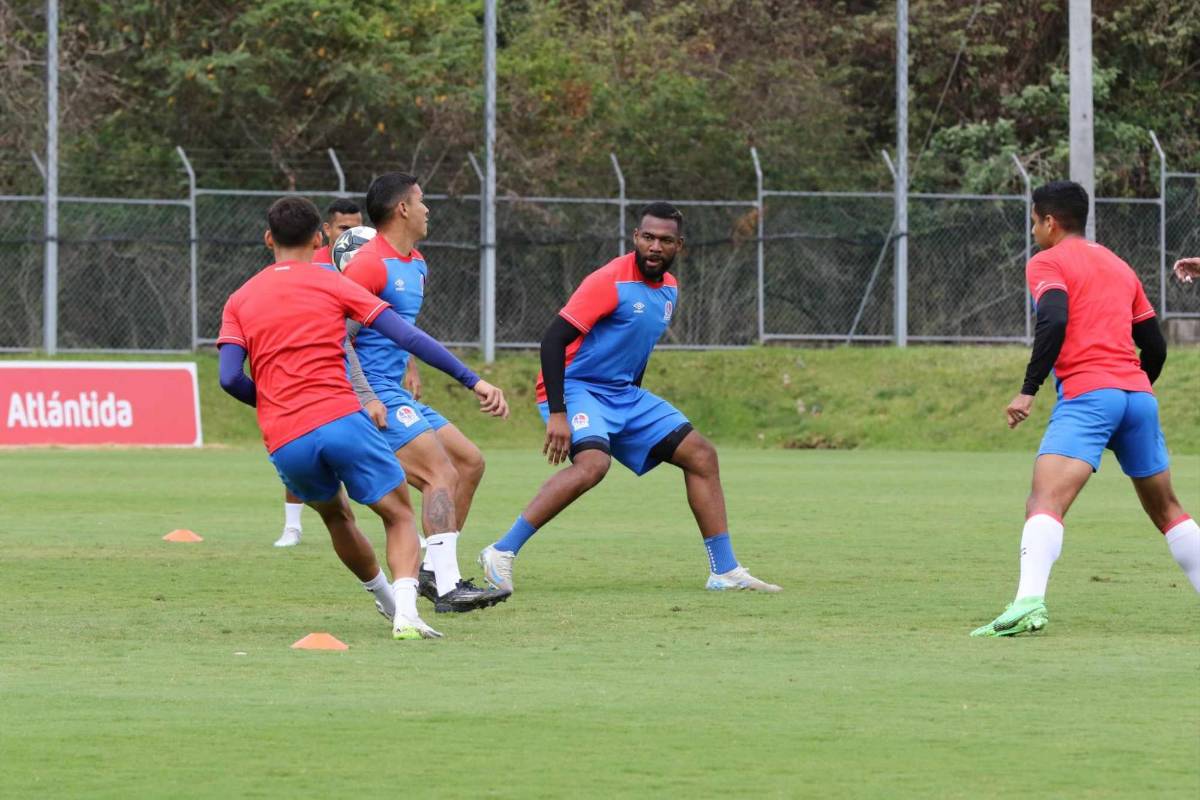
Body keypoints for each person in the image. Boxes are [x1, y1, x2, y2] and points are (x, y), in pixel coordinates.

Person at [217, 196, 508, 640]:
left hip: (286, 435)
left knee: (337, 517)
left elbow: (229, 378)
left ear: (268, 239)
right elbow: (404, 334)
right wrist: (472, 381)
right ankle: (407, 611)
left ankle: (386, 599)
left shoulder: (239, 299)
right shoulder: (332, 282)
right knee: (399, 516)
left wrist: (275, 403)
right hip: (343, 418)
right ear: (319, 237)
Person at [477, 202, 781, 596]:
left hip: (622, 394)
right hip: (577, 386)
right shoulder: (608, 281)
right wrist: (557, 412)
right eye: (648, 237)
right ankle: (501, 551)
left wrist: (632, 401)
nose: (655, 246)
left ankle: (724, 570)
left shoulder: (669, 288)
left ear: (679, 245)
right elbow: (552, 340)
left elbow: (636, 350)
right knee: (593, 465)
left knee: (702, 456)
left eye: (665, 240)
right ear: (636, 237)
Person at [971, 181, 1199, 638]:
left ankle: (1028, 604)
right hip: (1137, 397)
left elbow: (1053, 317)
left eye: (1035, 221)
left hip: (1089, 397)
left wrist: (1029, 389)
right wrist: (1130, 388)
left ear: (1050, 222)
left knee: (1044, 500)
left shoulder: (1047, 262)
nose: (1034, 230)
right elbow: (1152, 344)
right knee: (1169, 511)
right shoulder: (1118, 264)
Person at [343, 172, 504, 613]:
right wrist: (365, 396)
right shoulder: (368, 265)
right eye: (422, 201)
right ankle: (449, 589)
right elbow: (338, 335)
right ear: (402, 209)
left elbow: (399, 329)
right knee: (440, 474)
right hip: (374, 395)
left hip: (397, 391)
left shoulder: (416, 264)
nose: (428, 209)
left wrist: (409, 365)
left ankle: (433, 570)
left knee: (469, 462)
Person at [276, 198, 374, 548]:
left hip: (365, 368)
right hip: (321, 365)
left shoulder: (369, 264)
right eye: (346, 229)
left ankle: (398, 518)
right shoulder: (312, 266)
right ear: (326, 232)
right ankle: (292, 526)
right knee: (303, 439)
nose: (355, 235)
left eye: (360, 227)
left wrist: (409, 366)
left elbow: (388, 320)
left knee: (381, 440)